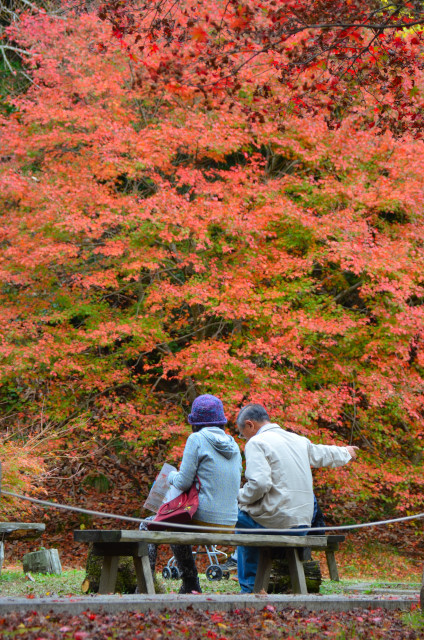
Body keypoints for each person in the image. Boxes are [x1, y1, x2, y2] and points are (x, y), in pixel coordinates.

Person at [235, 403, 359, 593]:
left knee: (236, 519)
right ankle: (260, 584)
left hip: (276, 524)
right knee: (247, 519)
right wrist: (345, 452)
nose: (244, 438)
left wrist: (240, 497)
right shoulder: (298, 440)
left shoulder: (256, 443)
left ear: (249, 425)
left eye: (242, 433)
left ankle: (250, 588)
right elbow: (322, 454)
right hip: (302, 525)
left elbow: (259, 484)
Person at [144, 394, 242, 594]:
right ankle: (189, 583)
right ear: (221, 421)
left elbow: (182, 481)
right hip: (230, 521)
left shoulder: (196, 438)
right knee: (175, 524)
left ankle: (148, 586)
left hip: (204, 517)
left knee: (148, 525)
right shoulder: (234, 444)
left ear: (195, 423)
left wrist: (170, 475)